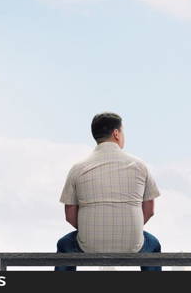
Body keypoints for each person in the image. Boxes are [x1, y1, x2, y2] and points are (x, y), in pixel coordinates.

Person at [55, 112, 162, 271]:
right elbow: (150, 210)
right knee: (153, 245)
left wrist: (88, 230)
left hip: (88, 245)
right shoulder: (139, 165)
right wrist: (131, 229)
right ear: (116, 133)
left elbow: (69, 215)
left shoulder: (77, 168)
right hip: (133, 244)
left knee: (64, 245)